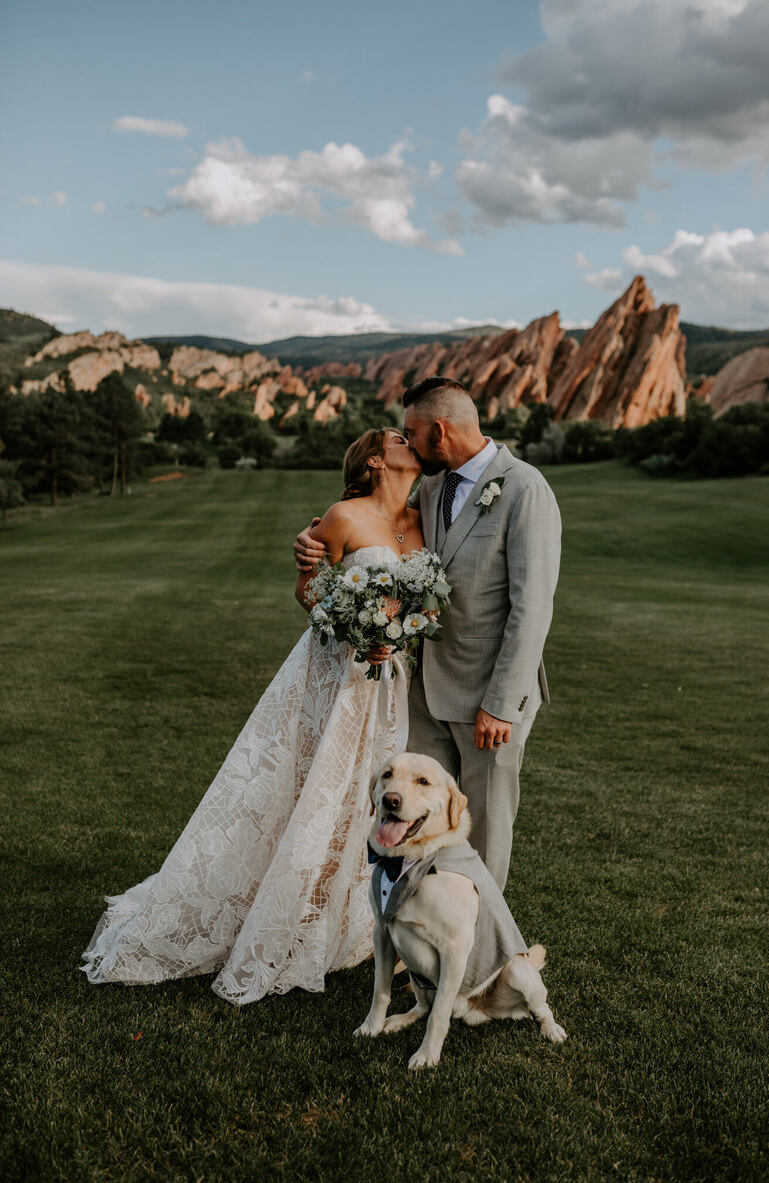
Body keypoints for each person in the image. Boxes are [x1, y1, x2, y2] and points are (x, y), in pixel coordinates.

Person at [82, 428, 423, 1002]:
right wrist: (358, 627)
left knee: (361, 794)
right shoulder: (342, 517)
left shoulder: (421, 520)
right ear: (374, 459)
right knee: (311, 787)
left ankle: (344, 915)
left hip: (389, 680)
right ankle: (279, 911)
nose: (409, 439)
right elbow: (308, 591)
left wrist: (397, 631)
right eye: (397, 436)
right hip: (336, 671)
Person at [295, 378, 561, 891]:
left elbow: (532, 608)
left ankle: (477, 941)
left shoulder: (525, 489)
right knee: (417, 822)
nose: (409, 443)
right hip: (420, 692)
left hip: (488, 701)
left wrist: (502, 703)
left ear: (439, 430)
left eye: (412, 434)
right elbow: (378, 526)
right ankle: (415, 929)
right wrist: (310, 546)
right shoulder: (433, 487)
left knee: (480, 827)